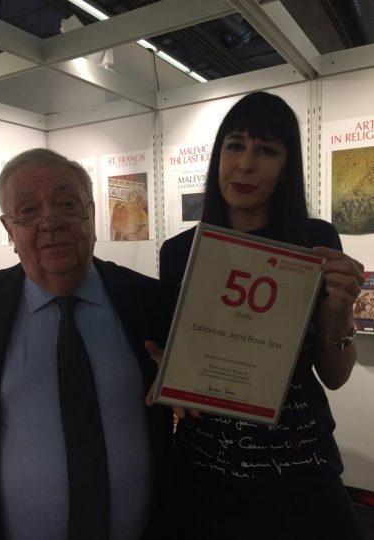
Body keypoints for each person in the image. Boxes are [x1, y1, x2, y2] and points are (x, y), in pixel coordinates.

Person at [156, 92, 365, 539]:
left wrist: (340, 311)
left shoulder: (314, 243)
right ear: (219, 156)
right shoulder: (179, 253)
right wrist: (165, 370)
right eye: (235, 145)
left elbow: (334, 376)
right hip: (206, 470)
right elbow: (175, 358)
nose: (246, 164)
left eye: (267, 150)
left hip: (299, 470)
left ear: (286, 166)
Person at [0, 148, 173, 540]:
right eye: (28, 210)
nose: (50, 223)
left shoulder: (149, 302)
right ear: (9, 229)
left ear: (92, 216)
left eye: (67, 204)